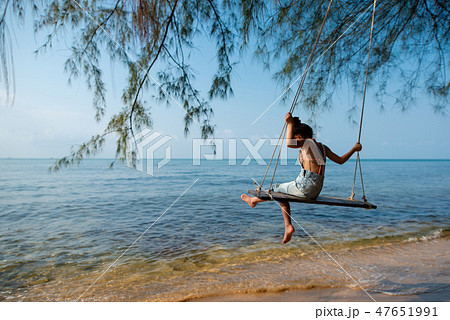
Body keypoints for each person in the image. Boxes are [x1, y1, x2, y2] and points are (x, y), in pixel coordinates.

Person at [241, 112, 362, 244]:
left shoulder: (306, 143)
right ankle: (283, 223)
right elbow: (340, 160)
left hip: (305, 186)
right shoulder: (322, 147)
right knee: (282, 192)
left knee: (276, 189)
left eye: (296, 138)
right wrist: (354, 149)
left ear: (299, 137)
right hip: (316, 190)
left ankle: (258, 204)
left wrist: (290, 124)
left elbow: (288, 143)